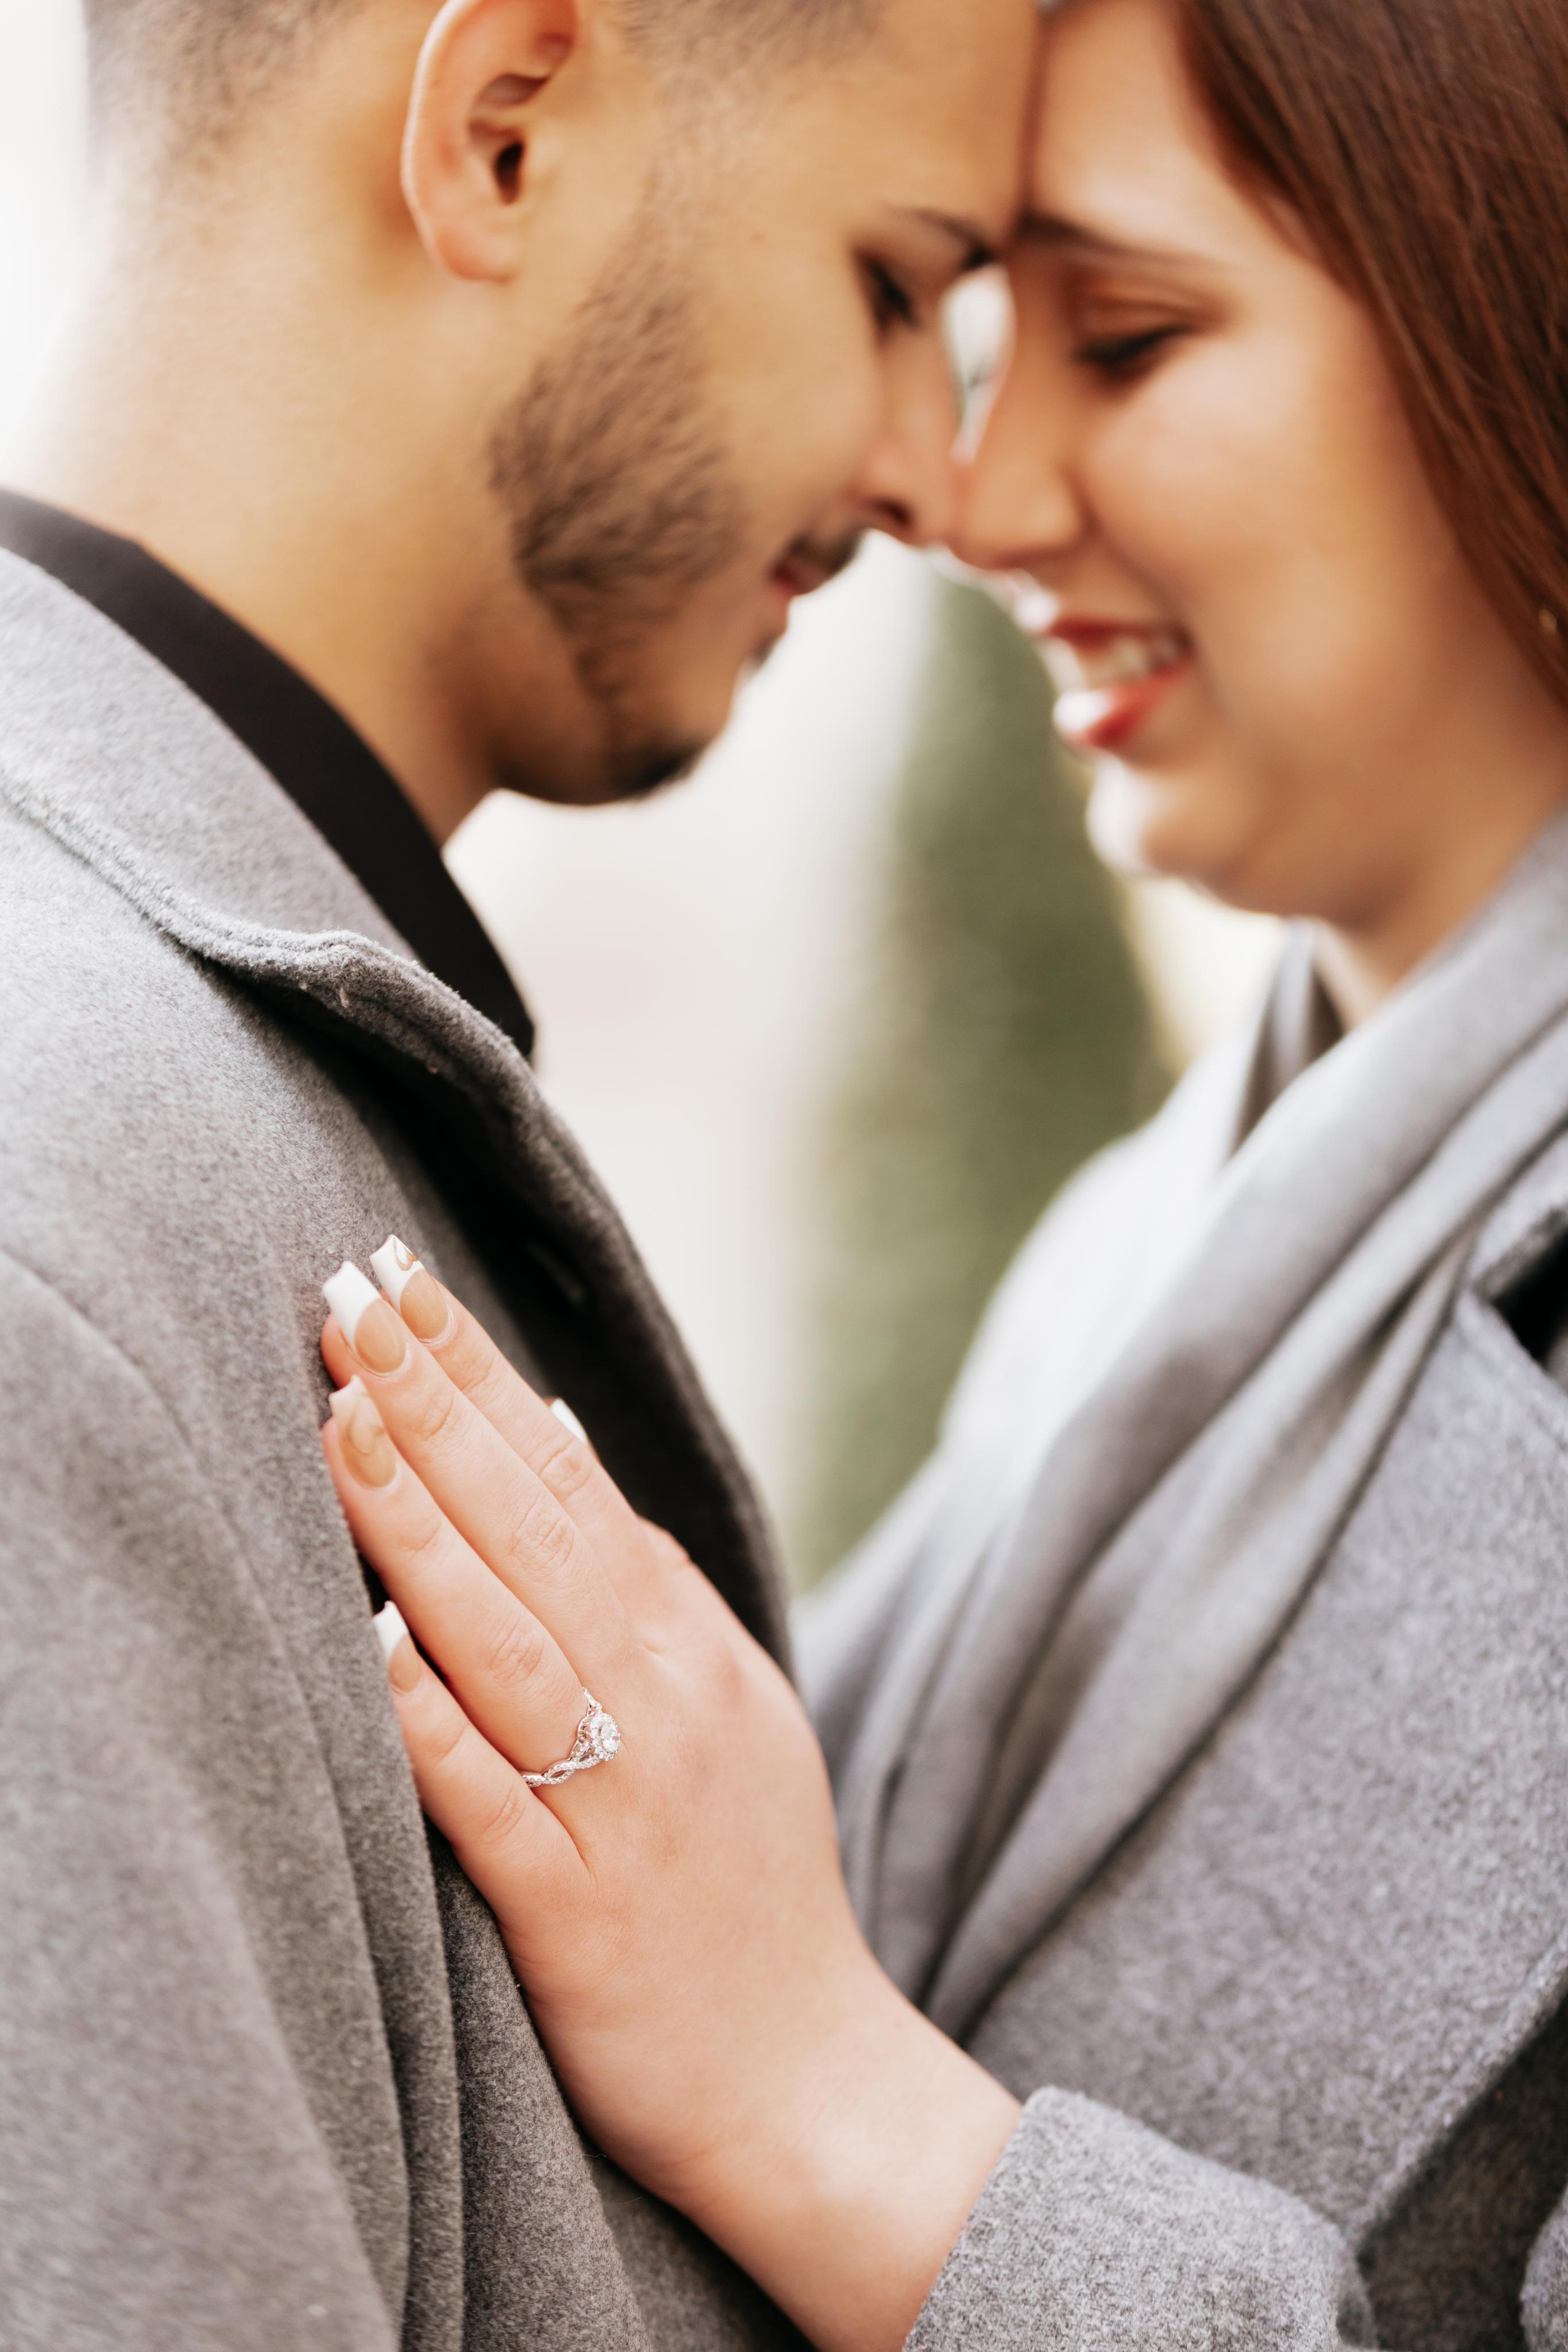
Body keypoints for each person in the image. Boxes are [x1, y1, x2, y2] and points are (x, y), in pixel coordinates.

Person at [316, 0, 1568, 2343]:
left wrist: (829, 2102)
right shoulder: (1146, 1251)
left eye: (1133, 334)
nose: (980, 501)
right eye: (974, 327)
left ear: (1518, 303)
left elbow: (802, 2020)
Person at [0, 0, 1033, 2341]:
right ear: (503, 129)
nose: (933, 471)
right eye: (897, 285)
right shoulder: (53, 1206)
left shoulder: (212, 1072)